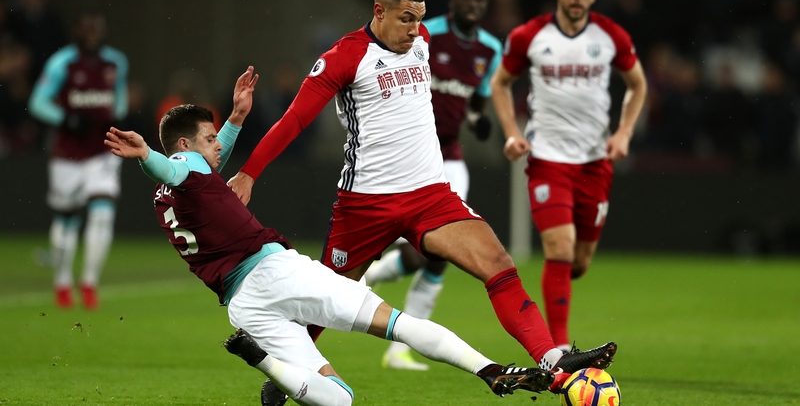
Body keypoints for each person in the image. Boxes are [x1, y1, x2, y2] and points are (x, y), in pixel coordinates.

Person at [226, 0, 616, 386]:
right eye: (406, 19)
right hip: (365, 205)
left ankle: (553, 357)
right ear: (379, 11)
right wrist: (249, 173)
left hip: (431, 196)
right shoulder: (344, 56)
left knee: (498, 264)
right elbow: (295, 119)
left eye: (420, 19)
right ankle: (287, 371)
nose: (415, 30)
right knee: (327, 300)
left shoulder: (422, 42)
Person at [103, 67, 555, 406]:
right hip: (276, 271)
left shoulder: (173, 191)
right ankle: (489, 369)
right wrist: (145, 155)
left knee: (338, 398)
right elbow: (177, 164)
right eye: (208, 137)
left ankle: (261, 360)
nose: (217, 144)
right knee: (397, 324)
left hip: (241, 306)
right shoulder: (177, 168)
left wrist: (236, 119)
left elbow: (196, 166)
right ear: (183, 146)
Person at [489, 0, 648, 351]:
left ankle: (561, 293)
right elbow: (500, 83)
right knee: (558, 248)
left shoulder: (611, 36)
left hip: (595, 163)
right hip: (547, 160)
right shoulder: (530, 36)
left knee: (578, 261)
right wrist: (512, 133)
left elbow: (638, 84)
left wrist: (624, 132)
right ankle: (559, 350)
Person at [362, 0, 502, 371]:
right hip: (409, 151)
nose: (472, 4)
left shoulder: (491, 49)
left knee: (443, 251)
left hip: (451, 156)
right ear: (453, 2)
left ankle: (397, 343)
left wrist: (478, 120)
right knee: (429, 247)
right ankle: (368, 275)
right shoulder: (423, 33)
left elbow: (476, 100)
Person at [28, 12, 128, 310]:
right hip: (68, 154)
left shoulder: (116, 62)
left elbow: (118, 98)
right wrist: (65, 119)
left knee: (102, 213)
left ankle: (89, 283)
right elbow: (37, 102)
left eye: (96, 30)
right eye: (87, 30)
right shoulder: (62, 63)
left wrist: (116, 113)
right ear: (77, 33)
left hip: (103, 150)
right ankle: (62, 282)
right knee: (67, 219)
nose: (92, 36)